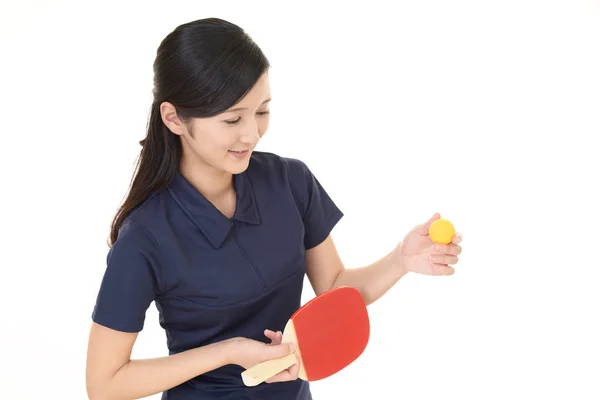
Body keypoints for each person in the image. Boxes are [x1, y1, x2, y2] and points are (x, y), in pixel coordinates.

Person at [85, 17, 463, 400]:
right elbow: (105, 384)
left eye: (261, 111)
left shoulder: (290, 182)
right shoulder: (145, 235)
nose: (251, 134)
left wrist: (401, 260)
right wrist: (227, 352)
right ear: (174, 118)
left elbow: (333, 288)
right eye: (232, 119)